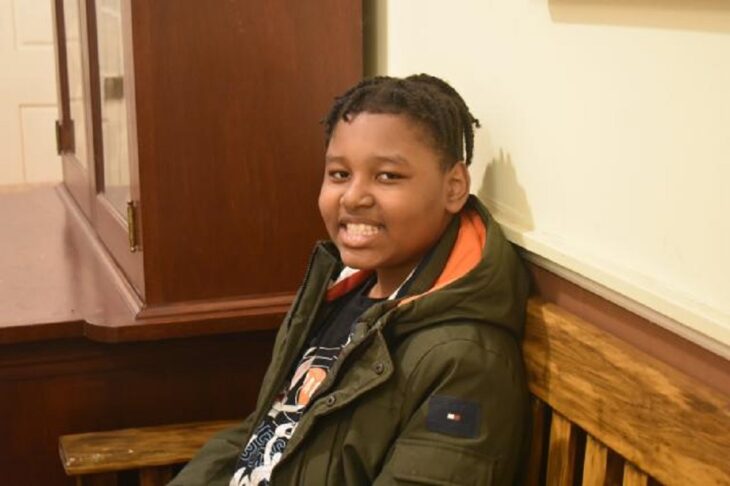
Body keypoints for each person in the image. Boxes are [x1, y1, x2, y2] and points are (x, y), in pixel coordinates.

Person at [170, 74, 530, 486]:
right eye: (340, 174)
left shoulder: (464, 361)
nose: (353, 197)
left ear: (453, 187)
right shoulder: (345, 292)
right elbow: (261, 430)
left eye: (388, 176)